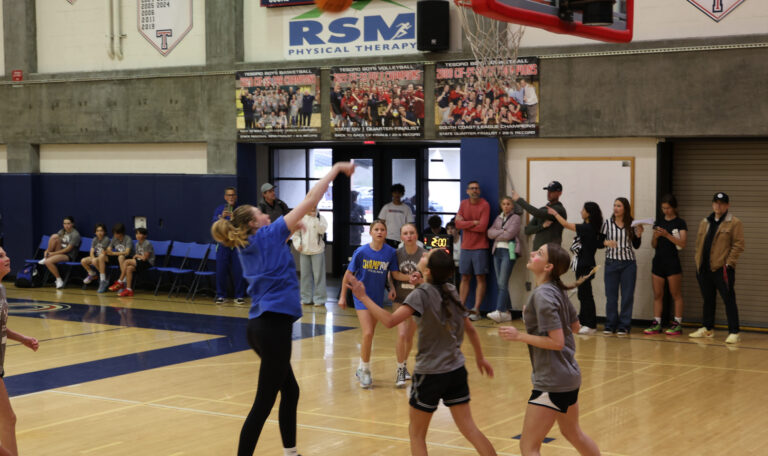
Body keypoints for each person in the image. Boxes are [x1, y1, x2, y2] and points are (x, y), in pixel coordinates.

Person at [211, 161, 355, 456]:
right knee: (263, 403)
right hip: (273, 326)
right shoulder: (268, 234)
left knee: (290, 390)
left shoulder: (246, 244)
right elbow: (312, 199)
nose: (267, 215)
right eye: (261, 214)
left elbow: (270, 256)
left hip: (259, 327)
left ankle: (291, 453)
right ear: (254, 224)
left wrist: (289, 233)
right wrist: (335, 170)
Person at [347, 249, 497, 456]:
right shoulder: (451, 289)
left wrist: (363, 297)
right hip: (456, 370)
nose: (423, 254)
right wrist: (480, 358)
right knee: (470, 428)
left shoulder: (420, 295)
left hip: (430, 374)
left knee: (416, 434)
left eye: (426, 256)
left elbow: (390, 321)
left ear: (428, 270)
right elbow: (470, 329)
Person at [499, 243, 600, 456]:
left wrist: (519, 336)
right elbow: (575, 326)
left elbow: (557, 342)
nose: (532, 253)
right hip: (568, 376)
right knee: (573, 433)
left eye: (539, 253)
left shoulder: (543, 295)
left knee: (528, 446)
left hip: (552, 380)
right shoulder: (556, 290)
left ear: (548, 267)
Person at [338, 220, 399, 389]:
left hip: (377, 298)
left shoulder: (390, 252)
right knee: (368, 332)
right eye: (376, 229)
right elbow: (348, 275)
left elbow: (390, 274)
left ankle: (360, 367)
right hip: (361, 297)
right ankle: (365, 370)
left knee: (369, 335)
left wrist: (392, 288)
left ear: (386, 233)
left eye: (382, 229)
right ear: (371, 232)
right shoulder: (361, 251)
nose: (379, 232)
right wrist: (343, 297)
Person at [690, 192, 745, 344]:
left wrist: (728, 263)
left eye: (721, 203)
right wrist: (698, 262)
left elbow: (739, 245)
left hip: (722, 269)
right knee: (708, 299)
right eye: (716, 203)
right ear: (712, 204)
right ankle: (707, 328)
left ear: (727, 205)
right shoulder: (705, 222)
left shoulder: (734, 222)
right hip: (704, 268)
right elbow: (698, 244)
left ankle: (734, 331)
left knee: (729, 299)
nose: (718, 206)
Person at [0, 246, 40, 456]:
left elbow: (1, 328)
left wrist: (22, 339)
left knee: (8, 419)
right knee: (8, 418)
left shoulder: (1, 289)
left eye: (5, 253)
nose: (7, 258)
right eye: (0, 256)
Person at [547, 202, 604, 335]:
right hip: (581, 264)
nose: (581, 211)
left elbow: (566, 224)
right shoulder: (586, 226)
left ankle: (591, 325)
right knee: (582, 294)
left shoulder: (588, 227)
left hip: (586, 265)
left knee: (586, 294)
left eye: (583, 210)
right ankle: (583, 321)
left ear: (588, 213)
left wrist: (555, 214)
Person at [644, 194, 688, 336]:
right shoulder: (659, 222)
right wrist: (656, 236)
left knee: (676, 294)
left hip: (672, 262)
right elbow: (653, 244)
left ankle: (677, 323)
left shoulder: (680, 223)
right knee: (658, 294)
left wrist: (667, 235)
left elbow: (682, 243)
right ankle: (657, 323)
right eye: (663, 208)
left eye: (668, 208)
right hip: (658, 262)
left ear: (674, 207)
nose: (665, 211)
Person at [601, 198, 643, 335]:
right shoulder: (607, 223)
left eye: (619, 206)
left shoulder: (632, 224)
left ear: (625, 208)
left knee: (627, 296)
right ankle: (610, 324)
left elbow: (636, 245)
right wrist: (606, 243)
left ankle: (624, 325)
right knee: (611, 297)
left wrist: (639, 235)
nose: (615, 208)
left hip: (628, 264)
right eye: (614, 205)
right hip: (611, 263)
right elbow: (599, 241)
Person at [391, 223, 424, 387]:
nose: (409, 236)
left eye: (412, 232)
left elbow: (428, 278)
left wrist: (419, 280)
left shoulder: (424, 255)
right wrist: (394, 286)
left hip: (416, 301)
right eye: (405, 233)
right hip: (400, 299)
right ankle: (399, 369)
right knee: (402, 334)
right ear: (401, 237)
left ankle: (404, 365)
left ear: (416, 235)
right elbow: (394, 274)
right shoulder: (397, 254)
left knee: (409, 337)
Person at [455, 181, 491, 320]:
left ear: (479, 191)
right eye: (472, 188)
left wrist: (465, 224)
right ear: (467, 191)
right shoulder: (463, 204)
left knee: (480, 277)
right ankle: (461, 307)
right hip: (465, 247)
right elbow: (457, 224)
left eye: (476, 188)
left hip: (480, 247)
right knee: (464, 277)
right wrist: (473, 222)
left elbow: (482, 227)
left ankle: (476, 310)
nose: (475, 190)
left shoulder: (485, 205)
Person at [486, 197, 522, 323]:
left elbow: (510, 234)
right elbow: (489, 233)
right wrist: (502, 231)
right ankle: (507, 311)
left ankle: (500, 310)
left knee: (502, 282)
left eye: (508, 204)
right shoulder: (498, 218)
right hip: (497, 251)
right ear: (501, 206)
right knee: (501, 283)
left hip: (509, 250)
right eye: (504, 204)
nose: (506, 206)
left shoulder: (516, 218)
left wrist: (497, 233)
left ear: (512, 206)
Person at [212, 187, 247, 305]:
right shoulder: (219, 209)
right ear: (225, 197)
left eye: (233, 195)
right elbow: (215, 226)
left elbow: (244, 228)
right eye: (229, 195)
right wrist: (222, 218)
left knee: (238, 271)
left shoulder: (240, 210)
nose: (231, 197)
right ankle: (221, 295)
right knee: (221, 271)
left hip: (236, 245)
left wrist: (234, 220)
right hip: (223, 245)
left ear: (236, 196)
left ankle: (239, 295)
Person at [511, 181, 567, 251]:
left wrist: (519, 200)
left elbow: (537, 213)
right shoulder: (542, 209)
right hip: (537, 251)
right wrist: (542, 226)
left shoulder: (559, 210)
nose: (549, 193)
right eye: (548, 191)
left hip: (551, 252)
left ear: (559, 193)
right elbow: (527, 230)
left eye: (552, 191)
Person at [291, 207, 328, 307]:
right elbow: (296, 234)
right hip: (304, 251)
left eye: (314, 207)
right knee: (305, 276)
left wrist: (315, 218)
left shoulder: (320, 218)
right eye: (311, 206)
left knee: (319, 276)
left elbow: (322, 230)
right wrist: (298, 244)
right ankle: (306, 299)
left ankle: (320, 299)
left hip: (317, 250)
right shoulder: (300, 218)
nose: (312, 209)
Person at [39, 216, 81, 289]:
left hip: (68, 255)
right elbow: (55, 242)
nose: (66, 225)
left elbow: (68, 249)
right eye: (64, 224)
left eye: (68, 223)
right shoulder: (62, 231)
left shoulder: (75, 234)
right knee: (54, 236)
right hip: (58, 251)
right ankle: (47, 255)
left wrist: (53, 254)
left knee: (48, 262)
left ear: (72, 224)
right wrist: (47, 251)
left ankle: (59, 279)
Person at [116, 227, 155, 297]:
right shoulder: (137, 244)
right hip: (140, 262)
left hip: (148, 263)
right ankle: (129, 289)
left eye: (140, 234)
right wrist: (137, 256)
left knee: (126, 261)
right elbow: (138, 258)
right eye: (137, 234)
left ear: (145, 236)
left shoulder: (147, 244)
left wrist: (137, 255)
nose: (138, 235)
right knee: (129, 268)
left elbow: (145, 258)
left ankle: (120, 281)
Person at [378, 183, 415, 249]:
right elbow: (380, 224)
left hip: (402, 239)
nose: (397, 195)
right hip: (388, 238)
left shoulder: (406, 208)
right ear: (392, 193)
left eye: (399, 193)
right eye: (395, 192)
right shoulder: (386, 207)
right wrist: (382, 238)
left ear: (402, 194)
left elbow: (410, 225)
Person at [105, 223, 134, 293]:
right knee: (102, 257)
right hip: (118, 257)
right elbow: (109, 248)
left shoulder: (128, 239)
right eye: (114, 233)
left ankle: (123, 281)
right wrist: (108, 250)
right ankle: (103, 280)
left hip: (128, 258)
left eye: (117, 233)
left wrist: (113, 253)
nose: (115, 235)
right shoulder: (114, 238)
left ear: (122, 233)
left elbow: (127, 252)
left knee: (121, 257)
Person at [81, 223, 110, 289]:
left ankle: (104, 276)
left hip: (104, 258)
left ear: (104, 232)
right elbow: (91, 251)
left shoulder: (106, 239)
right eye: (97, 231)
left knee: (94, 260)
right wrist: (93, 258)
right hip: (96, 257)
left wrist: (94, 260)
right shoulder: (94, 239)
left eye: (101, 231)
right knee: (83, 261)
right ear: (95, 232)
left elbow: (103, 252)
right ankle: (92, 274)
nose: (99, 232)